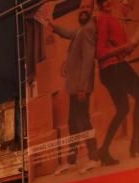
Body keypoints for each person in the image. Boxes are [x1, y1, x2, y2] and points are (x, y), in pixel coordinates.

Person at [94, 0, 139, 165]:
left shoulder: (115, 21)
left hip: (115, 67)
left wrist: (131, 46)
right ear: (101, 4)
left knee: (126, 106)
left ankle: (109, 149)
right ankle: (135, 143)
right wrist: (125, 46)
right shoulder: (104, 19)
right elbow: (101, 53)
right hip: (112, 69)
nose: (126, 7)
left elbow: (121, 53)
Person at [49, 1, 99, 172]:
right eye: (82, 7)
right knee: (74, 123)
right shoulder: (81, 30)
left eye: (87, 8)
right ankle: (72, 160)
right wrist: (54, 27)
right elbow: (69, 33)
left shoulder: (88, 30)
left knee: (83, 121)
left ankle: (94, 157)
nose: (84, 10)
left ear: (92, 11)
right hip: (75, 87)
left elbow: (88, 60)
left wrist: (83, 87)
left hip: (80, 87)